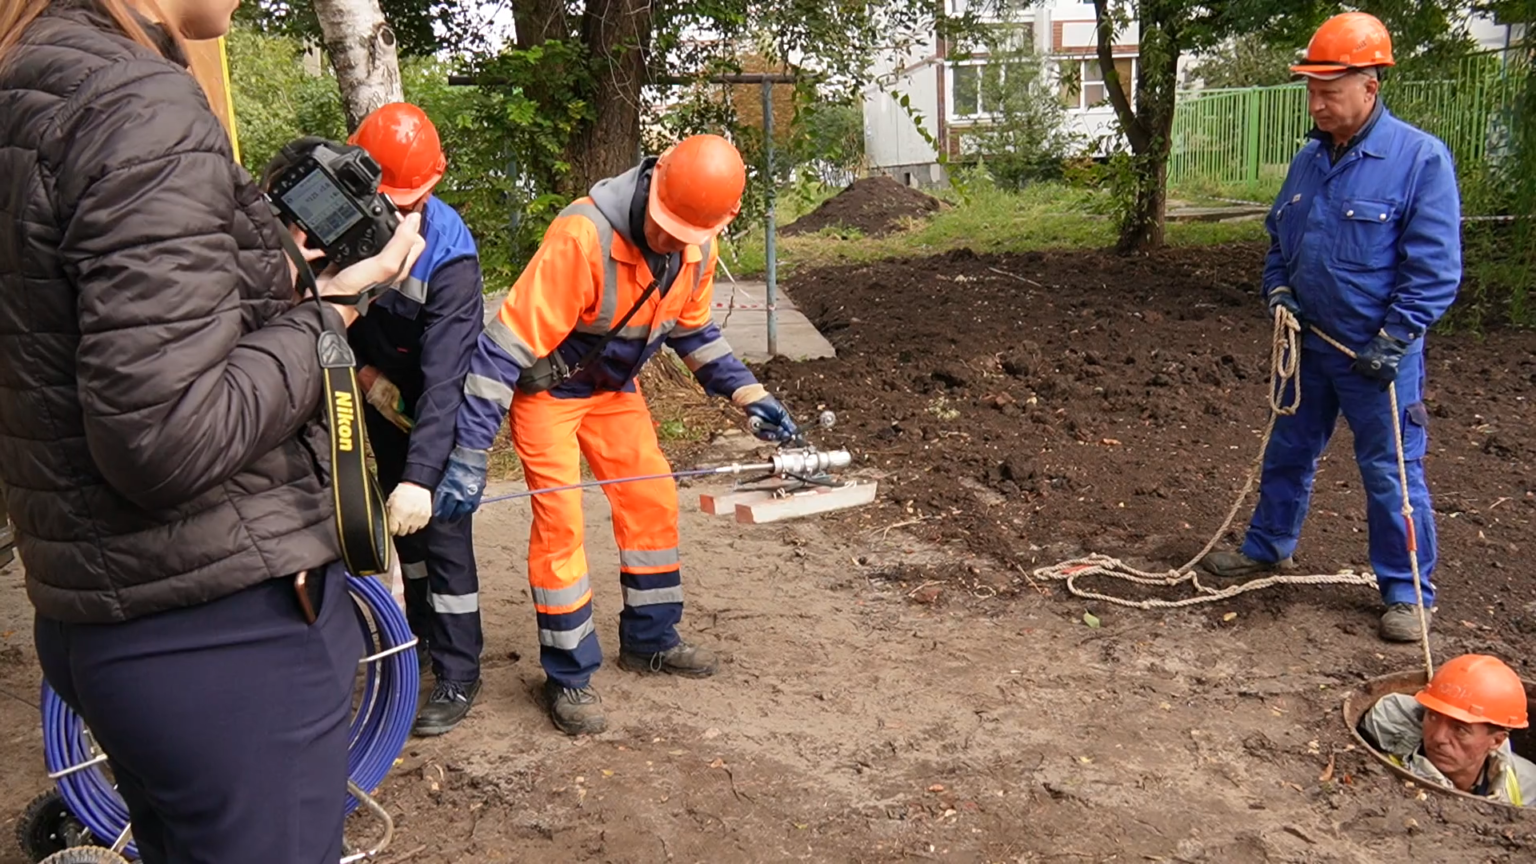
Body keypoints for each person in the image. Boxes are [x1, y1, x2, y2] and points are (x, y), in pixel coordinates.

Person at [0, 0, 425, 860]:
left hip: (110, 618)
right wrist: (329, 316)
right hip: (221, 637)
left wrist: (272, 278)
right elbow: (165, 436)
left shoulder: (31, 82)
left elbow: (72, 340)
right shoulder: (136, 104)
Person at [432, 134, 800, 735]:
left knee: (651, 501)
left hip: (613, 392)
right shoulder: (582, 237)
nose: (671, 243)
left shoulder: (698, 246)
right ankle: (569, 676)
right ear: (653, 185)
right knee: (561, 524)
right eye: (666, 228)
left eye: (687, 236)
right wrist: (471, 452)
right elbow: (501, 351)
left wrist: (749, 394)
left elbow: (694, 333)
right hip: (551, 394)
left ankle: (650, 640)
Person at [1200, 11, 1461, 643]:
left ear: (1370, 87)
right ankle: (1268, 546)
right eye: (1311, 89)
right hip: (1309, 348)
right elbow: (1279, 242)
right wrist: (1279, 289)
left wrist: (1396, 339)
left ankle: (1406, 592)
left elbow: (1434, 269)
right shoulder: (1309, 160)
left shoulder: (1419, 160)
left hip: (1379, 357)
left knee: (1391, 472)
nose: (1316, 102)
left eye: (1330, 89)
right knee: (1288, 451)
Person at [344, 102, 487, 737]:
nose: (399, 214)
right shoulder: (337, 222)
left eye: (410, 201)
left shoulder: (450, 258)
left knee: (442, 530)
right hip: (371, 382)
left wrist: (425, 477)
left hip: (433, 401)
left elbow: (447, 381)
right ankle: (423, 637)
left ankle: (460, 670)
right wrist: (367, 380)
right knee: (403, 534)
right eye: (388, 200)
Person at [1359, 654, 1536, 805]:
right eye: (1433, 717)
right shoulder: (1385, 761)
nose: (1438, 737)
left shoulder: (1527, 784)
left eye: (1459, 729)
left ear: (1497, 741)